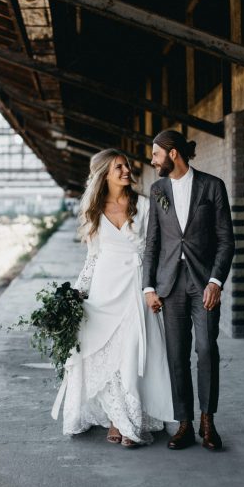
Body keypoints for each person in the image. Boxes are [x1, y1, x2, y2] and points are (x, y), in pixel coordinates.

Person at [52, 149, 174, 447]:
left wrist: (155, 286)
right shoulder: (93, 210)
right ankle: (114, 419)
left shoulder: (144, 205)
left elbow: (157, 249)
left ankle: (128, 421)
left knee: (131, 352)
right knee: (103, 355)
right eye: (119, 167)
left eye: (127, 165)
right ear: (104, 173)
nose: (126, 171)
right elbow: (93, 258)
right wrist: (77, 293)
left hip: (136, 287)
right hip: (104, 291)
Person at [142, 129, 235, 451]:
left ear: (172, 154)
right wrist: (149, 286)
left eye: (155, 155)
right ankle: (183, 422)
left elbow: (226, 240)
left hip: (203, 283)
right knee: (176, 354)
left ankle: (207, 421)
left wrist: (215, 281)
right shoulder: (157, 190)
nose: (152, 161)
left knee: (207, 350)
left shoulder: (213, 186)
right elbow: (153, 241)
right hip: (170, 285)